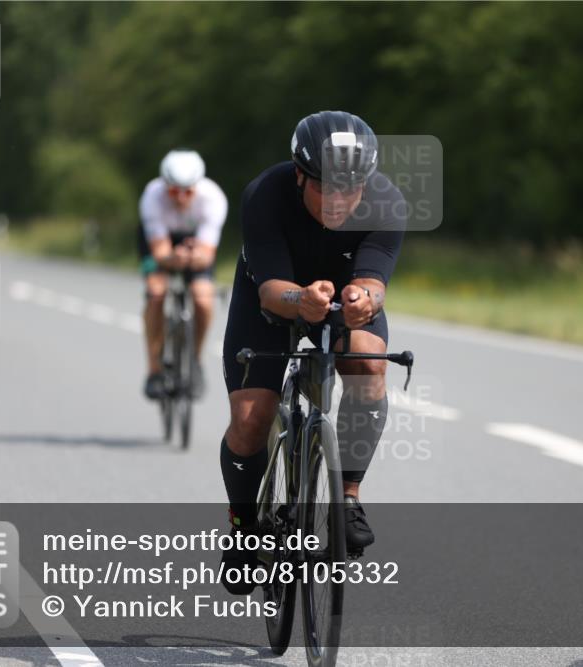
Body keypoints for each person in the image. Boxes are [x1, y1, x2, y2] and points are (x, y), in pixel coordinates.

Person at [218, 110, 406, 594]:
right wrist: (301, 299)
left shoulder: (386, 200)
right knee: (250, 418)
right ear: (300, 175)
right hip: (274, 292)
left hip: (342, 296)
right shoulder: (266, 194)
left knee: (368, 364)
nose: (341, 200)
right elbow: (269, 293)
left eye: (352, 188)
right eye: (327, 187)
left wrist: (366, 300)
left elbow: (374, 282)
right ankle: (243, 529)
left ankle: (347, 497)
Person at [139, 149, 227, 400]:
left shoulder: (213, 198)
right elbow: (159, 251)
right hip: (160, 244)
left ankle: (195, 359)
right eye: (173, 191)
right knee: (156, 293)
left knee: (202, 298)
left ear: (197, 187)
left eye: (187, 191)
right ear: (164, 186)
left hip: (195, 245)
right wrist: (172, 259)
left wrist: (192, 257)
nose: (179, 198)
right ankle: (154, 370)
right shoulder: (152, 196)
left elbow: (207, 254)